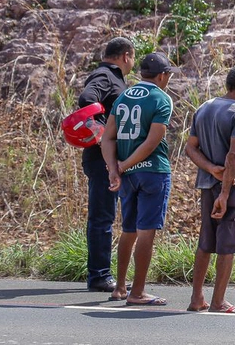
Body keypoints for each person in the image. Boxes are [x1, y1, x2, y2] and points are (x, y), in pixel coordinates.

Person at [102, 52, 177, 306]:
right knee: (146, 232)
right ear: (163, 75)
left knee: (129, 230)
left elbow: (107, 137)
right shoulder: (161, 98)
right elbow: (152, 141)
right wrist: (124, 164)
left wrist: (114, 168)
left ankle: (120, 287)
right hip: (152, 172)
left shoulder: (123, 96)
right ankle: (138, 292)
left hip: (128, 175)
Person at [185, 66, 235, 314]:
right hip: (232, 187)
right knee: (227, 243)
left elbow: (190, 148)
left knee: (205, 241)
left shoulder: (204, 107)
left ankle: (196, 299)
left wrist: (210, 168)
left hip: (206, 183)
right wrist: (225, 192)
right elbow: (234, 154)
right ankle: (218, 302)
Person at [76, 37, 134, 294]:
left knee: (105, 216)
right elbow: (87, 98)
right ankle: (99, 276)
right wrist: (102, 136)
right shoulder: (106, 76)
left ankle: (100, 273)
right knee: (102, 217)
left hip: (106, 159)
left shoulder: (111, 77)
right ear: (126, 55)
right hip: (101, 160)